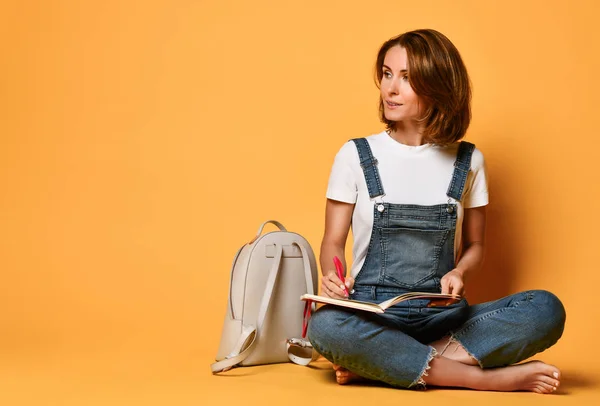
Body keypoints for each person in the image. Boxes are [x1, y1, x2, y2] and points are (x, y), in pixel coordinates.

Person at [306, 29, 566, 394]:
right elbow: (331, 242)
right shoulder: (355, 155)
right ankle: (480, 379)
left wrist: (460, 271)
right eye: (386, 73)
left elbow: (476, 245)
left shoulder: (469, 161)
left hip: (445, 319)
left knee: (545, 309)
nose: (390, 89)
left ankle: (385, 364)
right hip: (373, 316)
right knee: (324, 326)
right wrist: (333, 275)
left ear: (439, 87)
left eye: (408, 78)